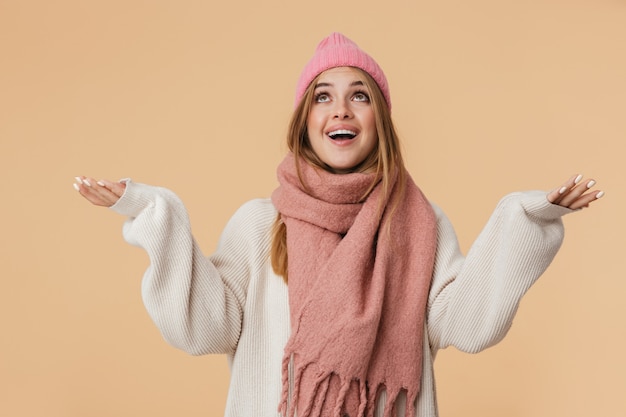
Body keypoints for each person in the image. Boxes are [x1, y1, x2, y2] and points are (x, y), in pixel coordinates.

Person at [74, 33, 603, 417]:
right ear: (306, 121)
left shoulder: (418, 227)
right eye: (323, 96)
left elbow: (467, 325)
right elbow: (205, 328)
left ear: (380, 121)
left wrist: (522, 220)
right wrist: (156, 216)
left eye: (360, 95)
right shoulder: (261, 224)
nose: (341, 110)